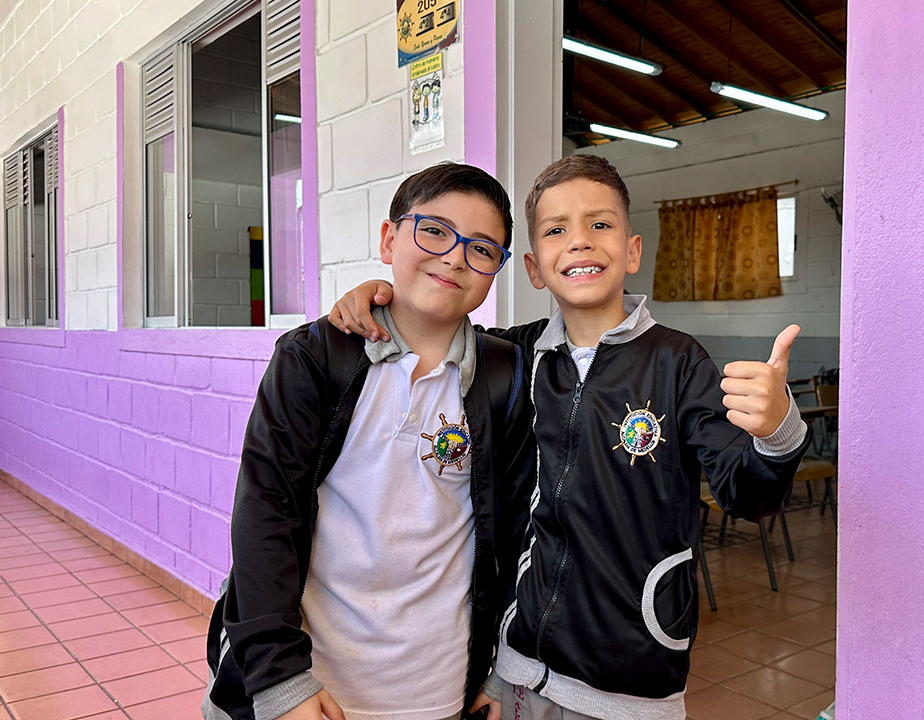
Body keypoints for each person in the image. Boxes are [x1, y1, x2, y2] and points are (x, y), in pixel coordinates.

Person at [330, 154, 809, 720]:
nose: (580, 241)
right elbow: (434, 326)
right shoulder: (511, 357)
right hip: (516, 670)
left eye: (600, 224)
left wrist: (777, 429)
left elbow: (748, 496)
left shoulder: (679, 363)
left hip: (632, 683)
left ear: (632, 250)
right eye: (557, 230)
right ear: (534, 268)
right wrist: (380, 297)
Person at [202, 163, 535, 720]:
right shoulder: (314, 357)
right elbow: (265, 512)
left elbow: (517, 533)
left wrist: (503, 669)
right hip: (307, 685)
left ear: (496, 270)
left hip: (436, 690)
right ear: (389, 239)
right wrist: (279, 678)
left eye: (482, 249)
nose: (455, 257)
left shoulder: (506, 374)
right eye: (434, 231)